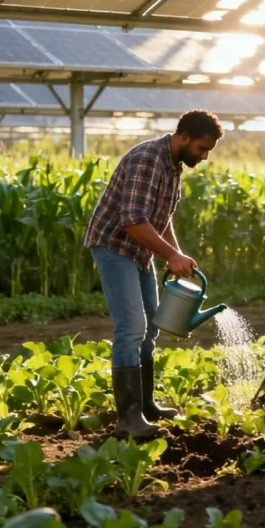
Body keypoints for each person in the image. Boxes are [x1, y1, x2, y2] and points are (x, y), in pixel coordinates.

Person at [85, 110, 224, 438]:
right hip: (115, 247)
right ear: (184, 137)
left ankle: (145, 405)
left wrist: (177, 252)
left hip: (140, 251)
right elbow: (133, 220)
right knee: (132, 327)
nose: (204, 156)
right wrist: (170, 255)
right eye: (202, 148)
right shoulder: (147, 159)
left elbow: (160, 216)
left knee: (151, 328)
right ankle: (128, 419)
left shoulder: (173, 164)